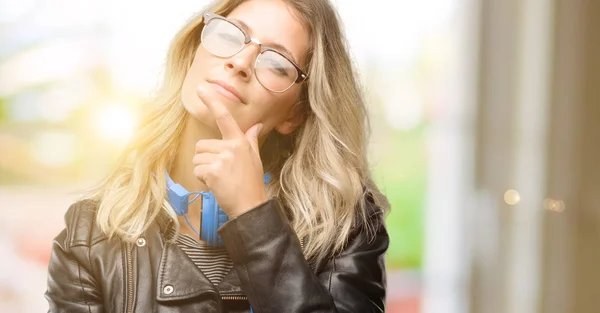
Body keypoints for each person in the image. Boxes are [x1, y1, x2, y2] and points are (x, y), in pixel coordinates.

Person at [45, 0, 391, 312]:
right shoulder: (89, 235)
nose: (240, 62)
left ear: (294, 115)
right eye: (230, 35)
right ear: (195, 49)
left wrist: (254, 218)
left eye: (276, 62)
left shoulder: (346, 225)